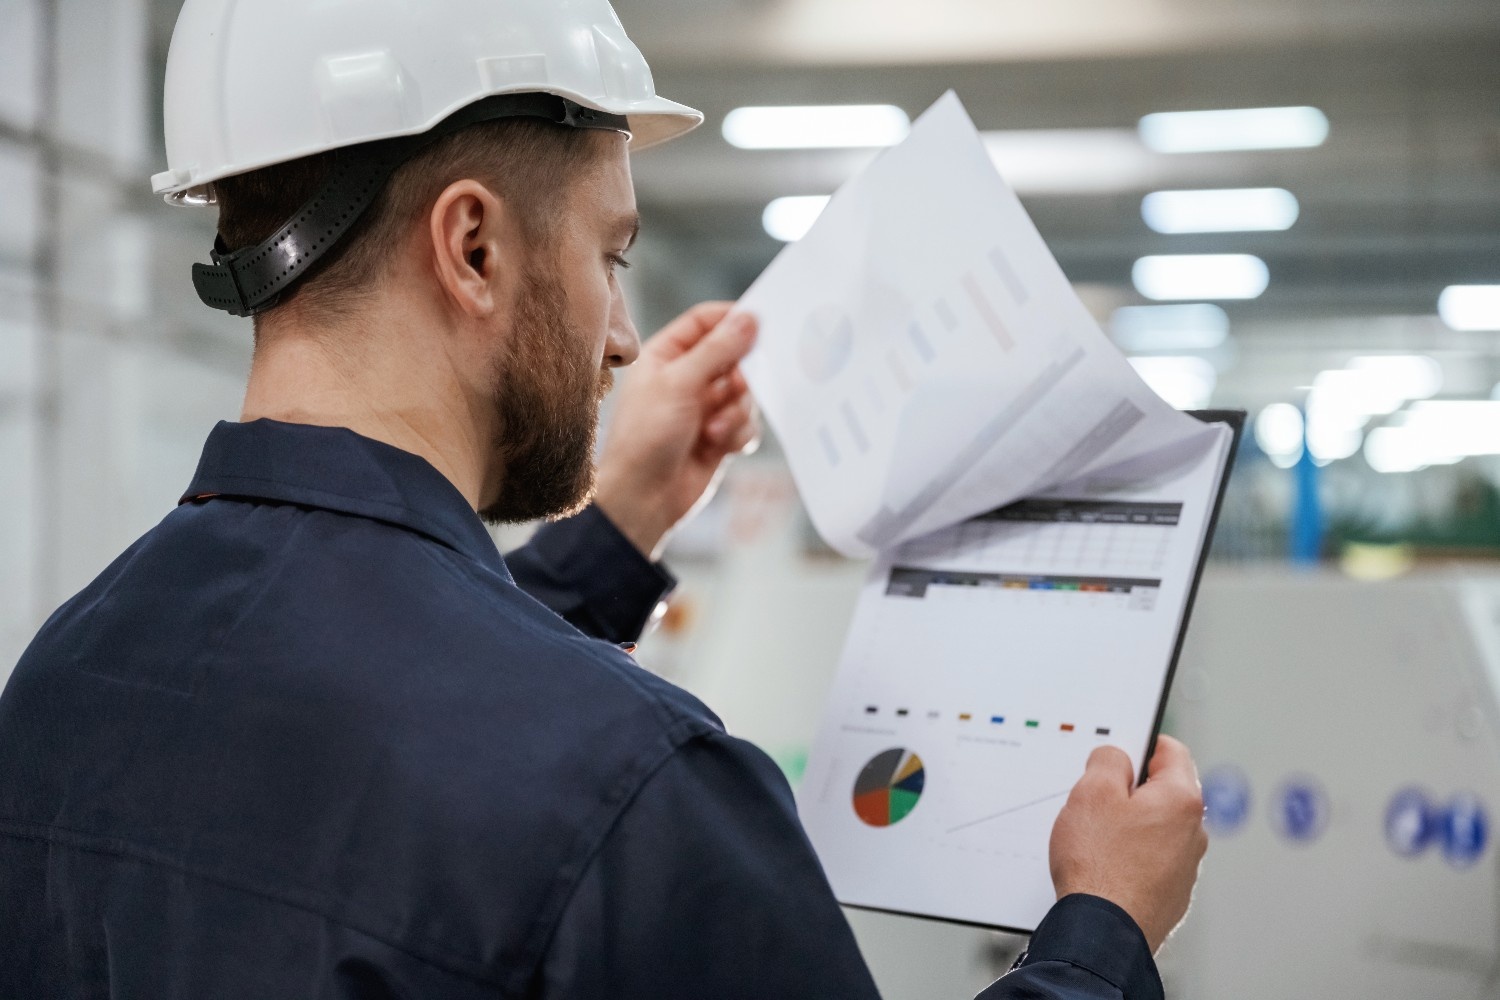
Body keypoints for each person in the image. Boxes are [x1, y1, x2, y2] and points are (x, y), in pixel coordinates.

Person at [0, 1, 1208, 997]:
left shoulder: (62, 679)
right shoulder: (639, 790)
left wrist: (618, 524)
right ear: (473, 248)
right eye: (611, 256)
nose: (623, 337)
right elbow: (483, 748)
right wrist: (1101, 933)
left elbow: (394, 715)